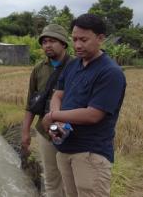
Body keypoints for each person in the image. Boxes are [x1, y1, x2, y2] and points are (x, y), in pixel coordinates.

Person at [42, 14, 126, 197]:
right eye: (74, 40)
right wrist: (56, 117)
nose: (78, 45)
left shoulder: (110, 72)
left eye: (84, 39)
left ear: (101, 38)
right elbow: (58, 94)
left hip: (90, 154)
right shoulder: (73, 65)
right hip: (65, 149)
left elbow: (93, 114)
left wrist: (55, 117)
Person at [21, 24, 72, 197]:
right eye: (44, 42)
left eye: (52, 41)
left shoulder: (76, 66)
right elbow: (31, 104)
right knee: (51, 178)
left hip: (72, 130)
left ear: (64, 43)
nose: (47, 45)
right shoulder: (39, 69)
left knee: (69, 179)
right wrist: (25, 132)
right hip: (46, 130)